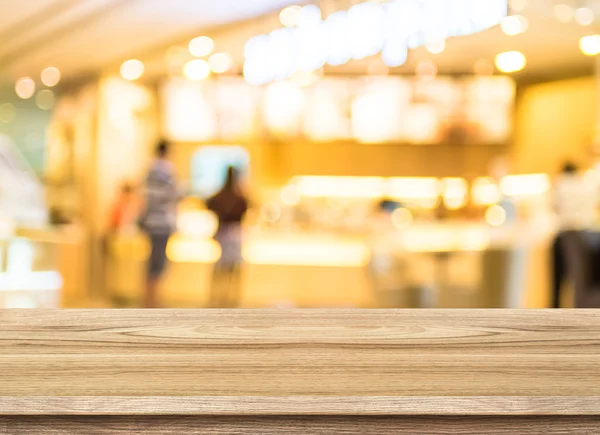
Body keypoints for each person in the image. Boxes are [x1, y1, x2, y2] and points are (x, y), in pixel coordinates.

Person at [139, 140, 180, 308]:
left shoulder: (149, 170)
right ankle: (153, 299)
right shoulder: (168, 170)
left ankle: (148, 296)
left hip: (150, 221)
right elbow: (173, 196)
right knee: (159, 261)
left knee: (151, 259)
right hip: (162, 222)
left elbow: (145, 197)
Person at [551, 161, 597, 308]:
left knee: (558, 283)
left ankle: (555, 308)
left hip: (565, 237)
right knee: (580, 280)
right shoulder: (586, 185)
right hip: (585, 237)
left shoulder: (560, 185)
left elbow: (554, 208)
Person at [206, 166, 248, 308]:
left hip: (223, 233)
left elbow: (209, 203)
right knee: (233, 267)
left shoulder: (221, 195)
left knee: (221, 266)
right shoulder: (240, 196)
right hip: (235, 233)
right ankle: (231, 298)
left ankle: (217, 297)